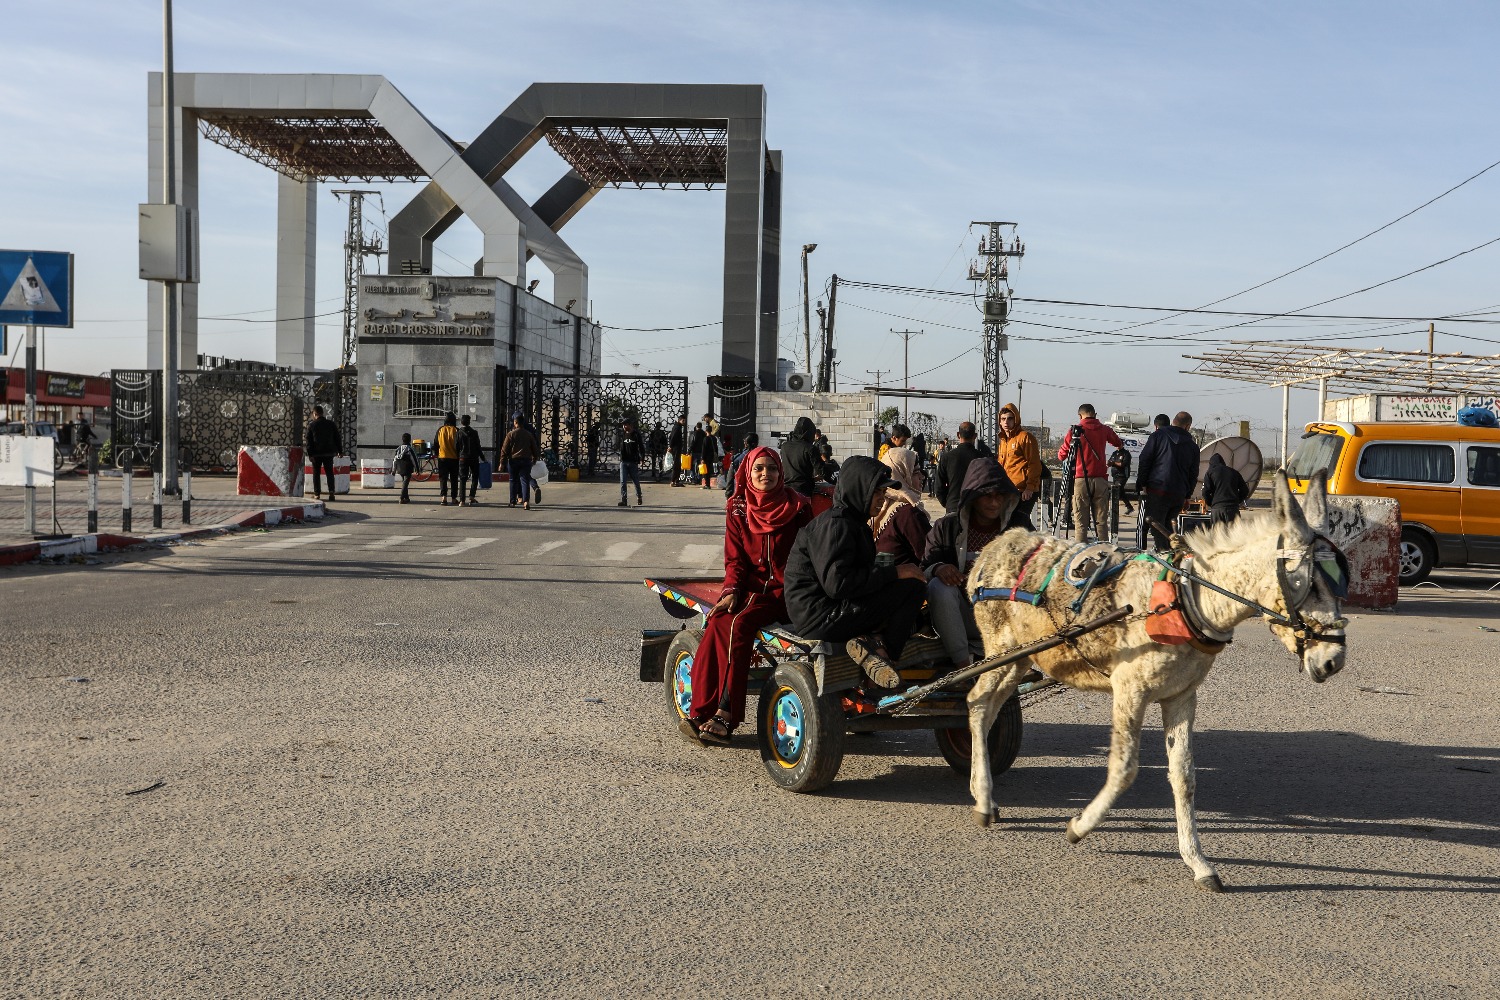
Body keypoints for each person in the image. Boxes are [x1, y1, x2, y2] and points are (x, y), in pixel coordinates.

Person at [685, 446, 814, 746]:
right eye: (758, 469)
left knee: (740, 624)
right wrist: (730, 591)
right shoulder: (738, 508)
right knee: (717, 621)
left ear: (780, 472)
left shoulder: (798, 507)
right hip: (749, 591)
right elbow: (735, 561)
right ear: (747, 473)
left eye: (771, 468)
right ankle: (701, 710)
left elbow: (810, 554)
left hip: (786, 594)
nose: (765, 474)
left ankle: (727, 714)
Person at [784, 456, 929, 689]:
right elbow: (838, 585)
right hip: (819, 617)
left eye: (883, 493)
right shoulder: (837, 525)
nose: (882, 499)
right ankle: (884, 653)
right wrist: (894, 573)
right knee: (913, 587)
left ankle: (874, 644)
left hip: (829, 609)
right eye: (877, 492)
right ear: (859, 488)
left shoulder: (854, 521)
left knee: (914, 605)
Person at [924, 458, 1020, 670]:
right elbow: (926, 564)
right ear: (973, 497)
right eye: (987, 496)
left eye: (999, 496)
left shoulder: (1019, 527)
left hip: (1006, 619)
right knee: (938, 587)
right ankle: (963, 668)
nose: (995, 503)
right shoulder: (946, 527)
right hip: (962, 618)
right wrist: (939, 568)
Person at [1057, 403, 1123, 543]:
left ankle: (1080, 554)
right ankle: (1105, 551)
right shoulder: (1105, 429)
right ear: (1095, 414)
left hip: (1080, 479)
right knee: (1101, 522)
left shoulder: (1075, 431)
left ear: (1080, 415)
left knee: (1081, 523)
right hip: (1100, 479)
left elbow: (1061, 455)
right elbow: (1118, 442)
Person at [1136, 411, 1201, 550]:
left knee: (1157, 527)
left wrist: (1142, 483)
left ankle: (1164, 558)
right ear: (1187, 426)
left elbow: (1145, 459)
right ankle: (1170, 555)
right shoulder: (1193, 447)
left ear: (1173, 421)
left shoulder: (1157, 436)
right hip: (1178, 494)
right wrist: (1187, 496)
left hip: (1157, 489)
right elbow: (1193, 473)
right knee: (1169, 528)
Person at [873, 446, 932, 567]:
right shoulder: (908, 513)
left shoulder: (881, 506)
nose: (922, 477)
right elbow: (930, 556)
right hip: (903, 582)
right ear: (901, 476)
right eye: (915, 472)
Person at [996, 403, 1041, 530]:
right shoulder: (1003, 441)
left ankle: (1040, 545)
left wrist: (1030, 488)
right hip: (1009, 490)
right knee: (1018, 525)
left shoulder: (1025, 437)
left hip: (1024, 490)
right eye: (1003, 419)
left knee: (1018, 526)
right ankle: (1042, 544)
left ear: (1016, 419)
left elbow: (1034, 464)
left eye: (1010, 418)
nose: (1006, 422)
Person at [937, 421, 982, 514]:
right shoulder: (982, 458)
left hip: (953, 506)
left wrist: (948, 503)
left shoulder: (947, 457)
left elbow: (939, 486)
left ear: (958, 435)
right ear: (975, 436)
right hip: (975, 508)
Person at [499, 411, 540, 510]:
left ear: (516, 423)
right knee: (525, 481)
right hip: (526, 460)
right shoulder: (529, 434)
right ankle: (526, 502)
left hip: (513, 461)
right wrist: (534, 458)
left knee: (513, 480)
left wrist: (502, 463)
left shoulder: (511, 434)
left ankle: (512, 502)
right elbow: (534, 448)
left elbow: (504, 450)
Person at [305, 404, 342, 502]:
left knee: (316, 473)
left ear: (315, 414)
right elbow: (337, 438)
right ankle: (331, 492)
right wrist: (340, 451)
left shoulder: (312, 425)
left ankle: (317, 494)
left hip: (316, 454)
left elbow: (309, 441)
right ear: (322, 413)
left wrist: (310, 454)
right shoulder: (331, 424)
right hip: (329, 453)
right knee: (329, 473)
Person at [1201, 452, 1249, 526]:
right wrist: (1237, 501)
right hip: (1233, 509)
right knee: (1234, 536)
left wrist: (1212, 503)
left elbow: (1205, 492)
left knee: (1217, 535)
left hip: (1217, 509)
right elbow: (1245, 490)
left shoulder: (1210, 473)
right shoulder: (1234, 472)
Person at [780, 416, 818, 496]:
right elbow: (821, 469)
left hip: (785, 489)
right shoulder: (810, 448)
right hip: (804, 490)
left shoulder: (784, 447)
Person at [457, 414, 484, 507]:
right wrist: (483, 458)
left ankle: (462, 501)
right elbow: (478, 446)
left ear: (461, 422)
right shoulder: (474, 432)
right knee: (475, 476)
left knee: (463, 479)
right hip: (474, 458)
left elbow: (456, 446)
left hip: (463, 458)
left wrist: (458, 456)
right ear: (469, 422)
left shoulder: (459, 433)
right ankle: (472, 496)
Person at [618, 418, 646, 507]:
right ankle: (624, 500)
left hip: (633, 462)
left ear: (630, 425)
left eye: (625, 425)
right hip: (624, 461)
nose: (624, 427)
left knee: (635, 481)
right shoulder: (622, 435)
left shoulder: (636, 435)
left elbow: (641, 447)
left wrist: (642, 458)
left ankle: (639, 496)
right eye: (623, 425)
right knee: (623, 481)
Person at [724, 432, 759, 496]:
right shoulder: (761, 456)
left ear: (745, 443)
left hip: (740, 492)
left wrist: (728, 495)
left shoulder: (738, 458)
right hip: (756, 493)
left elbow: (730, 478)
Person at [392, 433, 420, 504]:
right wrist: (417, 469)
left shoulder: (398, 449)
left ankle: (406, 498)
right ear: (410, 440)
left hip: (400, 468)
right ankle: (401, 498)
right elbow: (414, 460)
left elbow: (394, 460)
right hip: (407, 468)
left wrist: (394, 470)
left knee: (404, 482)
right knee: (405, 483)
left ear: (402, 439)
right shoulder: (410, 449)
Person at [1107, 444, 1135, 515]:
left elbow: (1123, 464)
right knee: (1121, 492)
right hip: (1115, 476)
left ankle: (1113, 510)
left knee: (1116, 492)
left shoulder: (1126, 453)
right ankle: (1129, 507)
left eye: (1119, 444)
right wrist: (1109, 464)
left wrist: (1114, 463)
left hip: (1122, 476)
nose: (1117, 446)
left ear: (1122, 445)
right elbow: (1110, 461)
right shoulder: (1114, 453)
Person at [698, 423, 720, 490]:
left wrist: (702, 458)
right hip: (712, 456)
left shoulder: (706, 438)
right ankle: (707, 484)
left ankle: (707, 484)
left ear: (706, 431)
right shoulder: (714, 438)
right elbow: (716, 448)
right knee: (709, 470)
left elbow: (704, 449)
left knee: (706, 471)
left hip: (706, 457)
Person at [668, 415, 688, 487]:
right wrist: (670, 446)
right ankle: (673, 481)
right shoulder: (677, 427)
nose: (684, 422)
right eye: (683, 420)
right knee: (676, 465)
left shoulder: (678, 427)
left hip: (677, 448)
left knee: (678, 465)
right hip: (676, 448)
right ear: (679, 420)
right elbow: (672, 437)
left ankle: (676, 480)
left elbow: (671, 437)